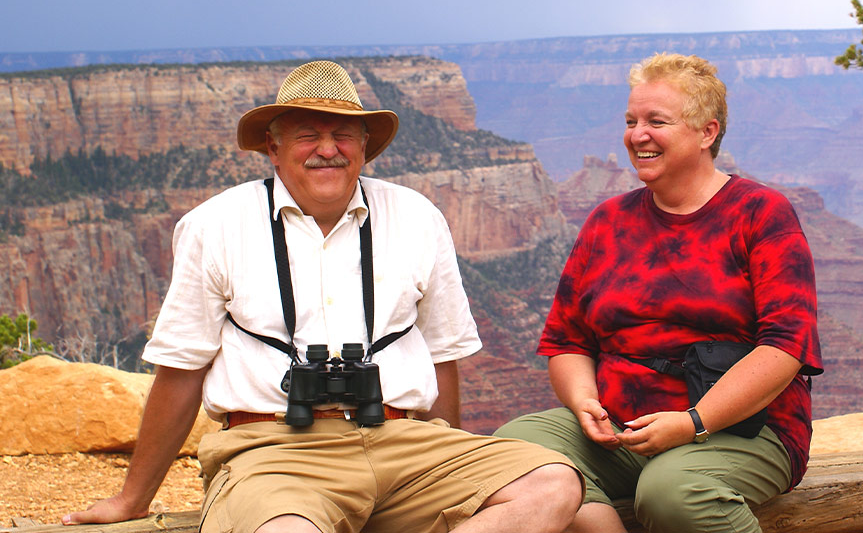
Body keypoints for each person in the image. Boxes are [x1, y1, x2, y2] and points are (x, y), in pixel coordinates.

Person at [63, 60, 582, 533]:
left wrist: (448, 462)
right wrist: (132, 499)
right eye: (308, 134)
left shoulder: (416, 216)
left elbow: (441, 354)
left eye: (342, 134)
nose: (327, 148)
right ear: (273, 146)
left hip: (400, 440)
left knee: (553, 484)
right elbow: (181, 369)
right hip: (272, 450)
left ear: (364, 145)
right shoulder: (215, 225)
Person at [495, 52, 823, 533]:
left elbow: (785, 347)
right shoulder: (608, 221)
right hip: (623, 428)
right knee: (513, 451)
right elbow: (567, 341)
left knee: (673, 492)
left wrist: (694, 421)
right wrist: (586, 401)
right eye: (631, 121)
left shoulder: (760, 214)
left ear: (707, 132)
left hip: (742, 428)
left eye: (656, 121)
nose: (637, 135)